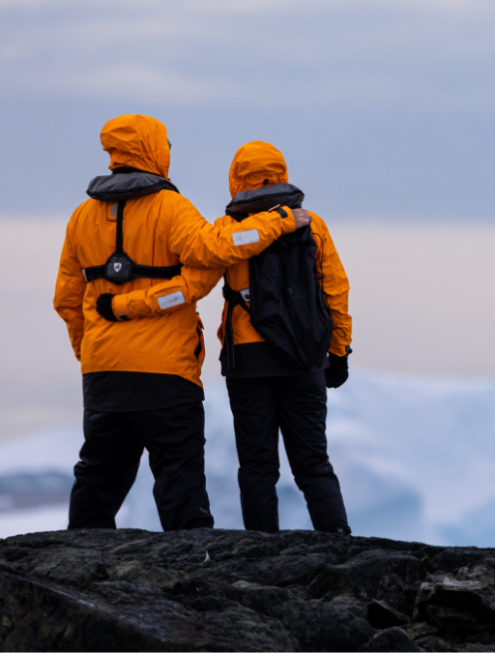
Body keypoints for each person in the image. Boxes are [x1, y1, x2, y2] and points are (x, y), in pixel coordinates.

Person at [53, 114, 311, 531]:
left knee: (97, 480)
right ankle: (192, 579)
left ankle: (74, 576)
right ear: (154, 149)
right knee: (180, 482)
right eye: (166, 144)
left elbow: (66, 300)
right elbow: (216, 248)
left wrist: (90, 353)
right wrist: (279, 220)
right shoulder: (170, 207)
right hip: (165, 372)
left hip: (103, 373)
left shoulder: (81, 216)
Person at [214, 141, 353, 534]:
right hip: (304, 356)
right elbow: (335, 290)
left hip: (248, 361)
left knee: (257, 467)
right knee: (313, 463)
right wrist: (338, 350)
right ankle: (338, 542)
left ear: (236, 178)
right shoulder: (312, 224)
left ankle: (261, 550)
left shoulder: (228, 229)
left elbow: (199, 276)